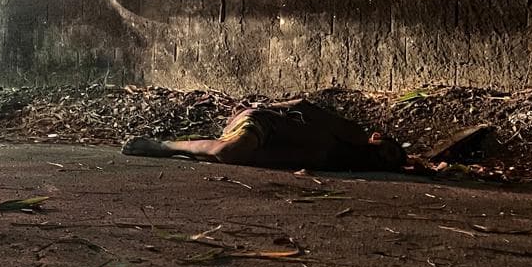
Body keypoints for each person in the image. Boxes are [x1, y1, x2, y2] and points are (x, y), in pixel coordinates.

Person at [123, 98, 407, 172]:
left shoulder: (346, 163)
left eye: (388, 161)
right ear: (377, 136)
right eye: (388, 149)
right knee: (230, 151)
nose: (382, 156)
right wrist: (265, 109)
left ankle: (202, 144)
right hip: (266, 125)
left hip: (263, 150)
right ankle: (166, 146)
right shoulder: (355, 136)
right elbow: (303, 107)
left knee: (232, 154)